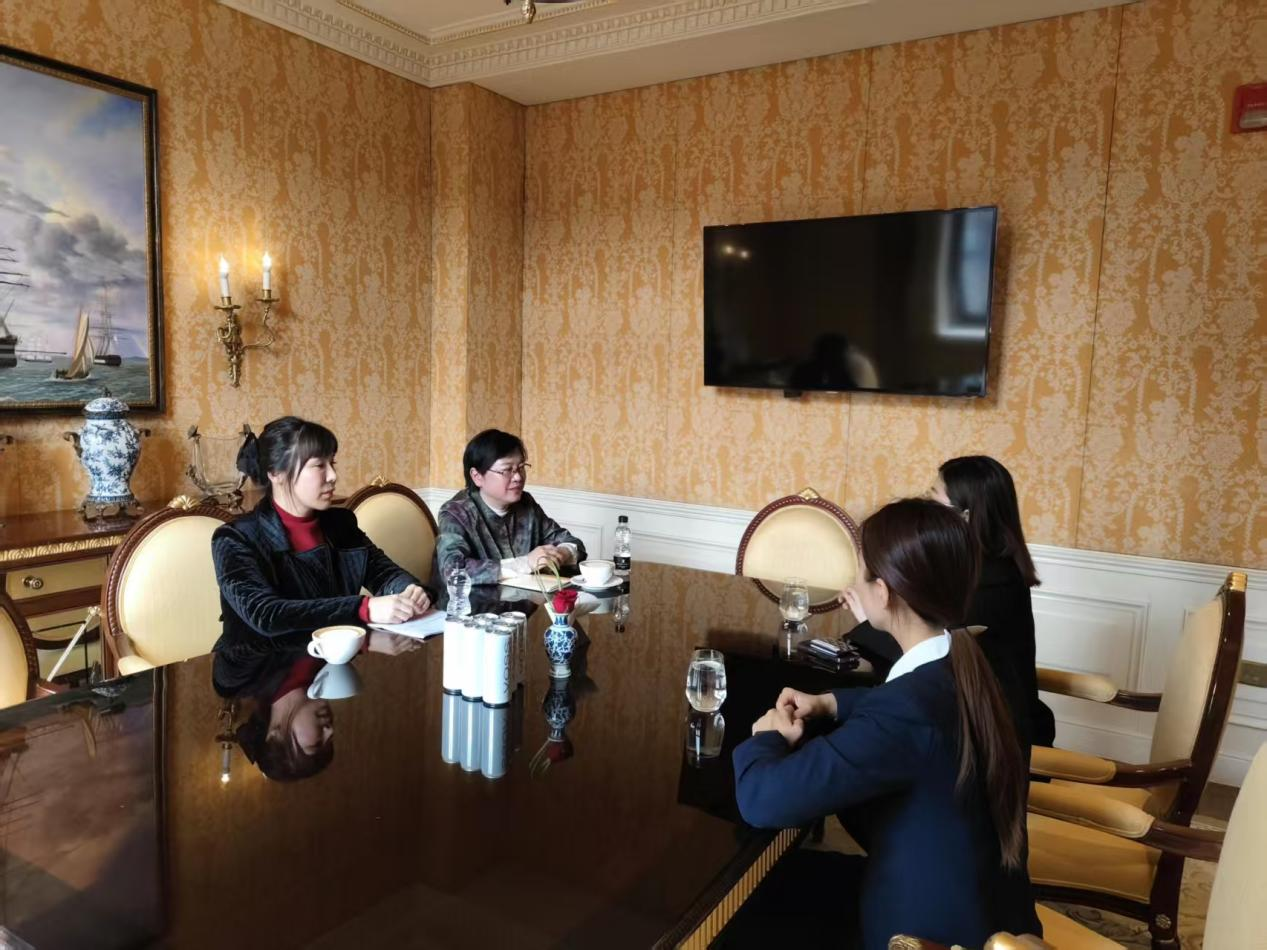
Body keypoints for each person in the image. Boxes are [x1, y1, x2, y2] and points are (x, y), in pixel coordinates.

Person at [730, 498, 1041, 950]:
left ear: (883, 592)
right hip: (979, 906)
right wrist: (833, 703)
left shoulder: (907, 712)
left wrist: (767, 738)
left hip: (924, 936)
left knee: (748, 912)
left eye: (859, 574)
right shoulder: (973, 658)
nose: (853, 585)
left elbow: (762, 799)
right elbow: (917, 711)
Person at [847, 455, 1053, 752]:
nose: (925, 503)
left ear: (964, 516)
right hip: (974, 717)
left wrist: (871, 619)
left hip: (995, 738)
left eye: (932, 496)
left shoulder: (989, 584)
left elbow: (933, 657)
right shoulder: (988, 568)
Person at [212, 416, 434, 654]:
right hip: (262, 667)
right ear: (276, 473)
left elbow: (384, 574)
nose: (332, 475)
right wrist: (364, 608)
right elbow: (267, 614)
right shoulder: (235, 538)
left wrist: (410, 591)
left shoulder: (341, 524)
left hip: (333, 660)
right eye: (319, 465)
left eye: (332, 463)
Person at [434, 429, 587, 587]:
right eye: (507, 470)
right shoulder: (456, 513)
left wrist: (561, 554)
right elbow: (452, 570)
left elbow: (573, 543)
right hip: (477, 601)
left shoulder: (526, 503)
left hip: (525, 599)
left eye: (521, 467)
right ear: (477, 476)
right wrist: (526, 563)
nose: (518, 477)